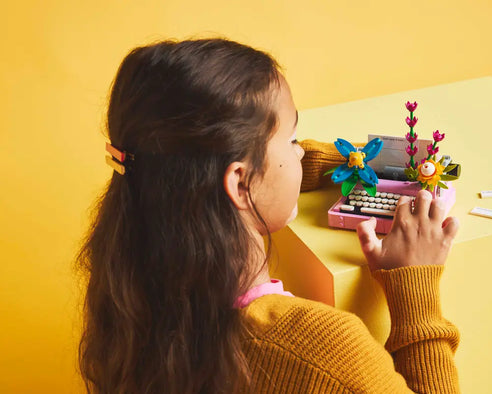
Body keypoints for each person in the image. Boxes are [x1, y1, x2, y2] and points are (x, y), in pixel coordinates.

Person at [76, 38, 460, 393]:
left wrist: (352, 162)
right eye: (292, 140)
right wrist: (416, 287)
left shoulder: (128, 293)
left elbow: (199, 169)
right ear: (241, 183)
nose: (300, 153)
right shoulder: (325, 352)